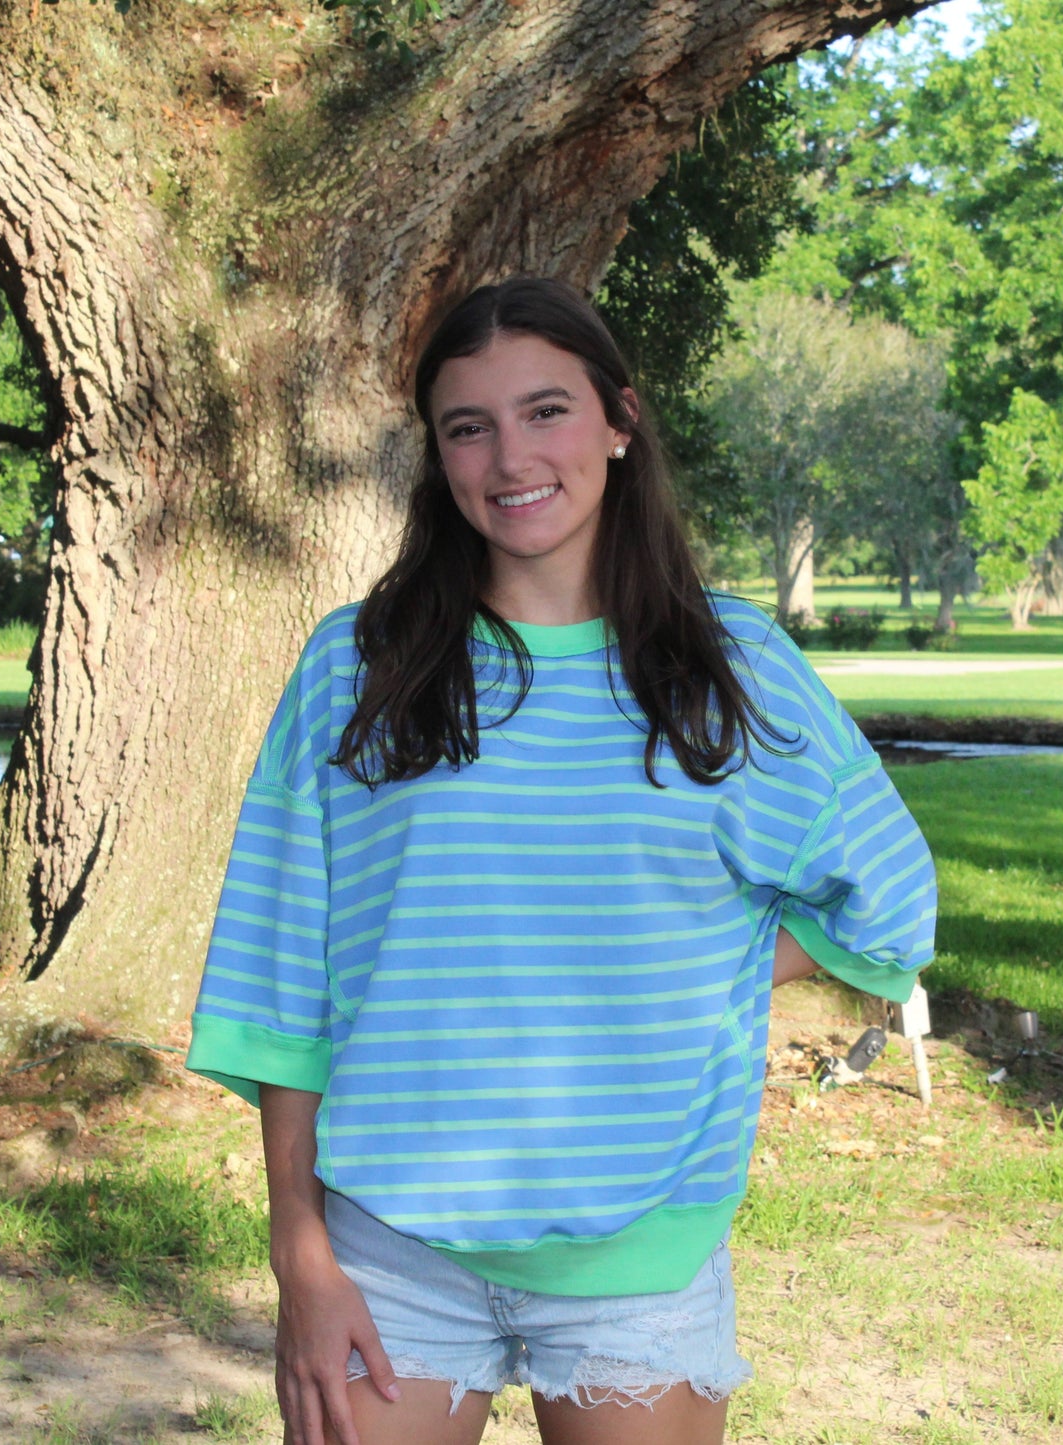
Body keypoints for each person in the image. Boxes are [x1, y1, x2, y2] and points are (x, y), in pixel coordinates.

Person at [186, 276, 936, 1445]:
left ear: (618, 422)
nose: (508, 456)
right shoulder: (358, 666)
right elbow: (284, 980)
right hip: (389, 1246)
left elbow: (887, 898)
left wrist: (717, 962)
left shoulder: (730, 665)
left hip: (644, 1247)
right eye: (466, 426)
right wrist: (300, 1251)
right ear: (436, 457)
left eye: (546, 411)